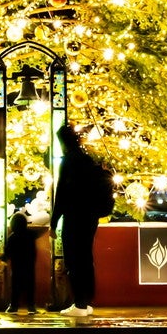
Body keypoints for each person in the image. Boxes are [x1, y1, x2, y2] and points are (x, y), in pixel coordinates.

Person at [50, 123, 112, 317]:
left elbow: (61, 193)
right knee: (85, 258)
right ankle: (86, 302)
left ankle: (79, 304)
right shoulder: (88, 159)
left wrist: (53, 222)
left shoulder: (68, 161)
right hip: (90, 217)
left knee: (73, 259)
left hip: (74, 216)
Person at [5, 210, 45, 314]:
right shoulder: (31, 235)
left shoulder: (12, 237)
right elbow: (41, 231)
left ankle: (13, 306)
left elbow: (7, 251)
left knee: (15, 287)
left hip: (16, 267)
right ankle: (31, 306)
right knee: (30, 287)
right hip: (29, 267)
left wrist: (3, 258)